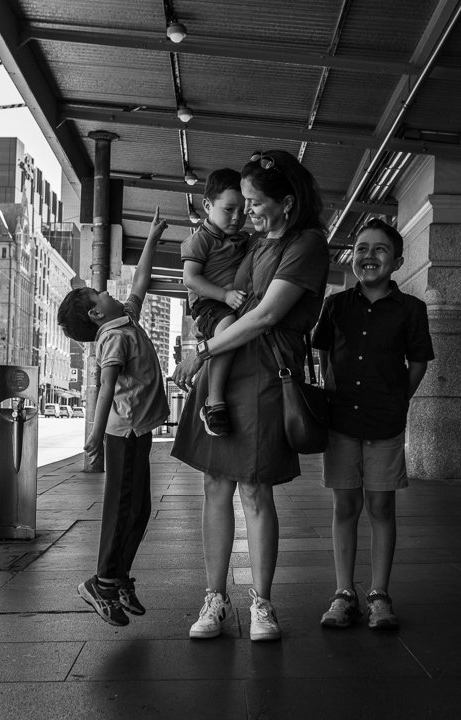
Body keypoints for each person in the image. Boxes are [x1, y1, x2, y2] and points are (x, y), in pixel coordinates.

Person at [172, 150, 329, 642]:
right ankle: (214, 598)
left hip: (266, 369)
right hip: (231, 364)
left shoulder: (308, 244)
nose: (249, 212)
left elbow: (265, 316)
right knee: (215, 485)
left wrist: (201, 353)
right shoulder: (260, 245)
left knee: (255, 489)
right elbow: (225, 298)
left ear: (286, 201)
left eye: (256, 202)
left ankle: (262, 602)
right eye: (242, 201)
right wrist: (207, 346)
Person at [311, 219, 434, 631]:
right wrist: (331, 390)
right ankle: (344, 593)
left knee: (381, 506)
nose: (369, 256)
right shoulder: (336, 306)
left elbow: (418, 362)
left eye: (380, 250)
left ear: (397, 261)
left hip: (385, 421)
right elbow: (324, 354)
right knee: (345, 505)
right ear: (353, 257)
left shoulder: (412, 310)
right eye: (362, 248)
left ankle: (379, 594)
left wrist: (400, 398)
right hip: (340, 419)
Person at [56, 211, 170, 627]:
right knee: (121, 509)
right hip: (122, 436)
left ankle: (118, 576)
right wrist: (94, 435)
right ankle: (102, 581)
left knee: (139, 510)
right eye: (97, 293)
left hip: (138, 433)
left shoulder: (125, 318)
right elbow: (105, 388)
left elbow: (139, 280)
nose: (104, 291)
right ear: (94, 315)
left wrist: (153, 238)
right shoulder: (114, 337)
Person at [180, 168, 249, 436]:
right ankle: (214, 402)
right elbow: (191, 279)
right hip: (210, 305)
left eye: (243, 210)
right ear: (207, 205)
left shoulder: (241, 239)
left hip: (230, 303)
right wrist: (224, 295)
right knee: (228, 329)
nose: (237, 217)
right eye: (229, 208)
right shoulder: (200, 240)